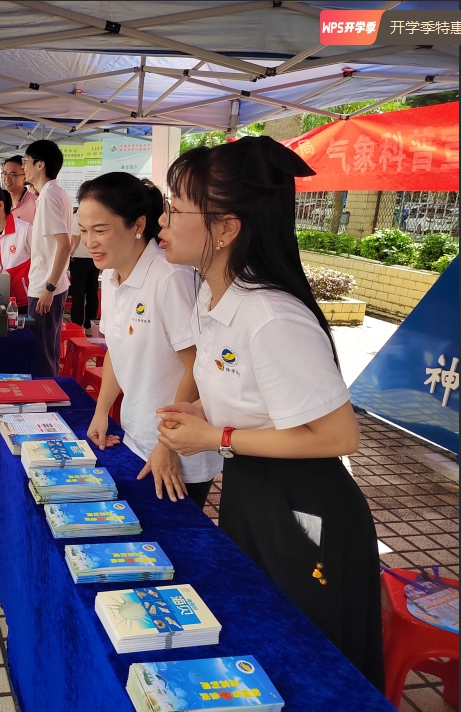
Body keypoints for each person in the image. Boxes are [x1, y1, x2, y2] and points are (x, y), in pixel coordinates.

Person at [153, 136, 384, 689]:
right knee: (262, 631)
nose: (161, 220)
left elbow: (339, 436)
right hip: (252, 488)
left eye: (175, 208)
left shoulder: (271, 316)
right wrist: (197, 410)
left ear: (226, 228)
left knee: (312, 656)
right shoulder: (213, 298)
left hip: (304, 507)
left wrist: (216, 436)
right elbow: (248, 394)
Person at [80, 172, 221, 508]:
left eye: (100, 230)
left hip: (178, 451)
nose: (89, 242)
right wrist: (102, 412)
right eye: (83, 230)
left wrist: (168, 442)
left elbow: (198, 368)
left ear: (138, 225)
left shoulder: (170, 277)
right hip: (138, 435)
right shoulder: (110, 275)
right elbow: (115, 350)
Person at [23, 139, 71, 377]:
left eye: (26, 161)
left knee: (42, 353)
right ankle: (48, 391)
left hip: (46, 285)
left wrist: (49, 287)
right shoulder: (53, 193)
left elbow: (65, 244)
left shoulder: (50, 197)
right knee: (47, 349)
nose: (24, 167)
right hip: (49, 283)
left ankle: (45, 394)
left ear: (40, 165)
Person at [68, 209, 99, 335]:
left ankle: (77, 325)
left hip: (78, 259)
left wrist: (67, 256)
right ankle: (89, 325)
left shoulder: (77, 217)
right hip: (94, 256)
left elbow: (74, 240)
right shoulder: (96, 216)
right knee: (92, 292)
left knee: (78, 294)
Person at [1, 156, 37, 224]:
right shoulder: (1, 203)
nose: (7, 178)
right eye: (5, 173)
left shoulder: (36, 205)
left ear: (24, 177)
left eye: (13, 175)